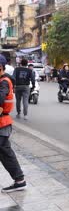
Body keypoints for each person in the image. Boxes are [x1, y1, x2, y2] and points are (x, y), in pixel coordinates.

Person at [0, 54, 27, 193]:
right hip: (2, 123)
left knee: (6, 153)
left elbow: (0, 99)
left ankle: (19, 179)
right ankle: (19, 179)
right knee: (5, 153)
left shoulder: (4, 82)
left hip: (2, 123)